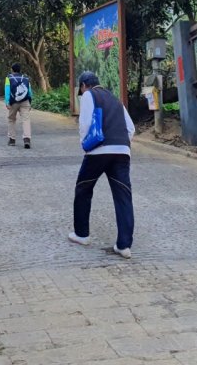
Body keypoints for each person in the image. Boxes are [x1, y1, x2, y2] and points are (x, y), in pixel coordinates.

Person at [68, 71, 135, 258]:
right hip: (122, 151)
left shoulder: (89, 95)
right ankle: (124, 245)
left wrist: (86, 146)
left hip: (98, 151)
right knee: (123, 197)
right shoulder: (116, 99)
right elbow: (131, 128)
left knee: (83, 189)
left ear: (83, 86)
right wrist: (121, 144)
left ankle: (82, 234)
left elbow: (86, 123)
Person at [4, 63, 33, 148]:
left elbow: (7, 90)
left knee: (11, 119)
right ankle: (27, 139)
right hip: (25, 101)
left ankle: (12, 139)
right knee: (26, 120)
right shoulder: (26, 78)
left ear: (12, 70)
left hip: (13, 102)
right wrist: (29, 102)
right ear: (20, 70)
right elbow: (30, 91)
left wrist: (7, 102)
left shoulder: (8, 78)